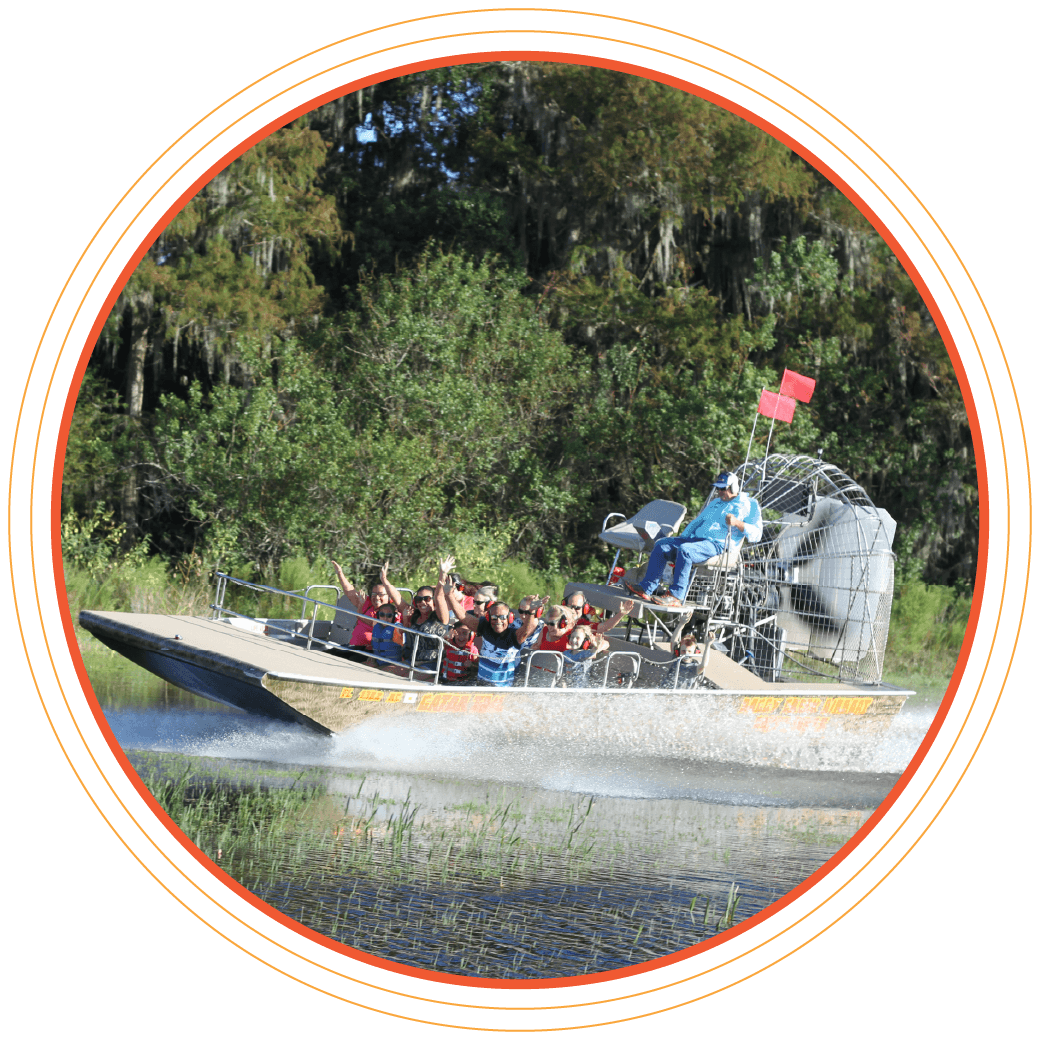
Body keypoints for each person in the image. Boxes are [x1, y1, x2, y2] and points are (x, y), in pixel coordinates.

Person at [625, 470, 762, 608]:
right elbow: (698, 521)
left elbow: (757, 534)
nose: (719, 492)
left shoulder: (750, 505)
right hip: (696, 540)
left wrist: (737, 523)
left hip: (717, 545)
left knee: (686, 550)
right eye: (717, 488)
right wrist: (681, 538)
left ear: (734, 488)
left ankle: (675, 596)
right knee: (662, 545)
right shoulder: (716, 502)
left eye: (722, 489)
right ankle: (646, 588)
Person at [331, 560, 403, 660]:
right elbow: (350, 592)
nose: (377, 598)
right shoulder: (368, 604)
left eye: (381, 595)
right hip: (354, 647)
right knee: (328, 653)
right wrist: (340, 573)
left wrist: (384, 579)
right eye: (374, 594)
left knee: (349, 659)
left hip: (370, 651)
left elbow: (376, 623)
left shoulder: (391, 613)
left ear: (389, 597)